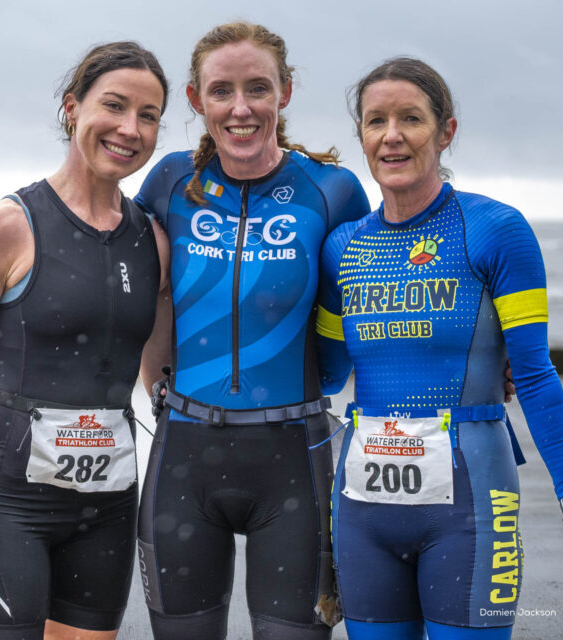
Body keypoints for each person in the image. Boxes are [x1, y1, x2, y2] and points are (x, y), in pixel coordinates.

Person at [316, 57, 563, 640]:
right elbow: (328, 376)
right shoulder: (341, 248)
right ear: (359, 135)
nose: (392, 136)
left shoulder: (495, 230)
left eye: (410, 118)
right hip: (363, 510)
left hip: (471, 506)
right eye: (375, 121)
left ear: (446, 131)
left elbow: (534, 375)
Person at [0, 42, 172, 640]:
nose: (129, 128)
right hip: (7, 500)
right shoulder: (6, 227)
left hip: (108, 502)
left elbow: (162, 377)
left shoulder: (154, 241)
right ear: (71, 108)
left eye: (149, 115)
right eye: (113, 105)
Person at [133, 22, 371, 640]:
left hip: (296, 457)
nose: (241, 109)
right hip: (183, 456)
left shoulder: (333, 191)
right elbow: (105, 263)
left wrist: (490, 346)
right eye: (222, 91)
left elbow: (385, 282)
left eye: (258, 88)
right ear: (195, 99)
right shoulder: (167, 184)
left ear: (285, 92)